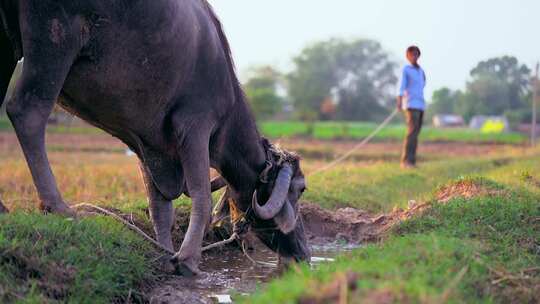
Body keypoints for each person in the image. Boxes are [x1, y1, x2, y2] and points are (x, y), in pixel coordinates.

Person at [397, 46, 426, 169]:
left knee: (416, 133)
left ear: (418, 56)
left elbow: (423, 84)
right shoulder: (406, 69)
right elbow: (401, 86)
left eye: (416, 54)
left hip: (420, 105)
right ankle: (406, 161)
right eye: (412, 55)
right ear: (407, 56)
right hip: (410, 104)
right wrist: (399, 101)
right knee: (411, 133)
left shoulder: (420, 71)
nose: (414, 57)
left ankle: (412, 161)